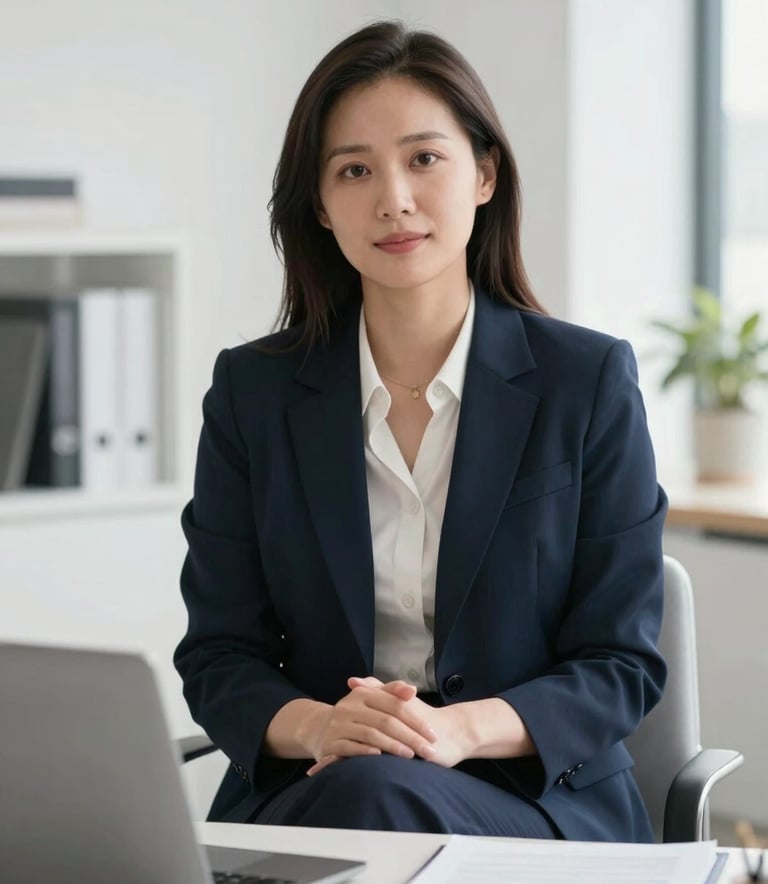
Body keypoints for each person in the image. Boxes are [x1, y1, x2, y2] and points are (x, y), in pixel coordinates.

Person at [174, 19, 667, 842]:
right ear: (322, 208)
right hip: (320, 783)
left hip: (535, 798)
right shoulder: (252, 393)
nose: (393, 198)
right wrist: (321, 726)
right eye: (354, 170)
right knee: (365, 791)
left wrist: (454, 729)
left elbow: (620, 664)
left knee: (375, 797)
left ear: (484, 175)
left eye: (424, 158)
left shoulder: (587, 382)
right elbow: (219, 654)